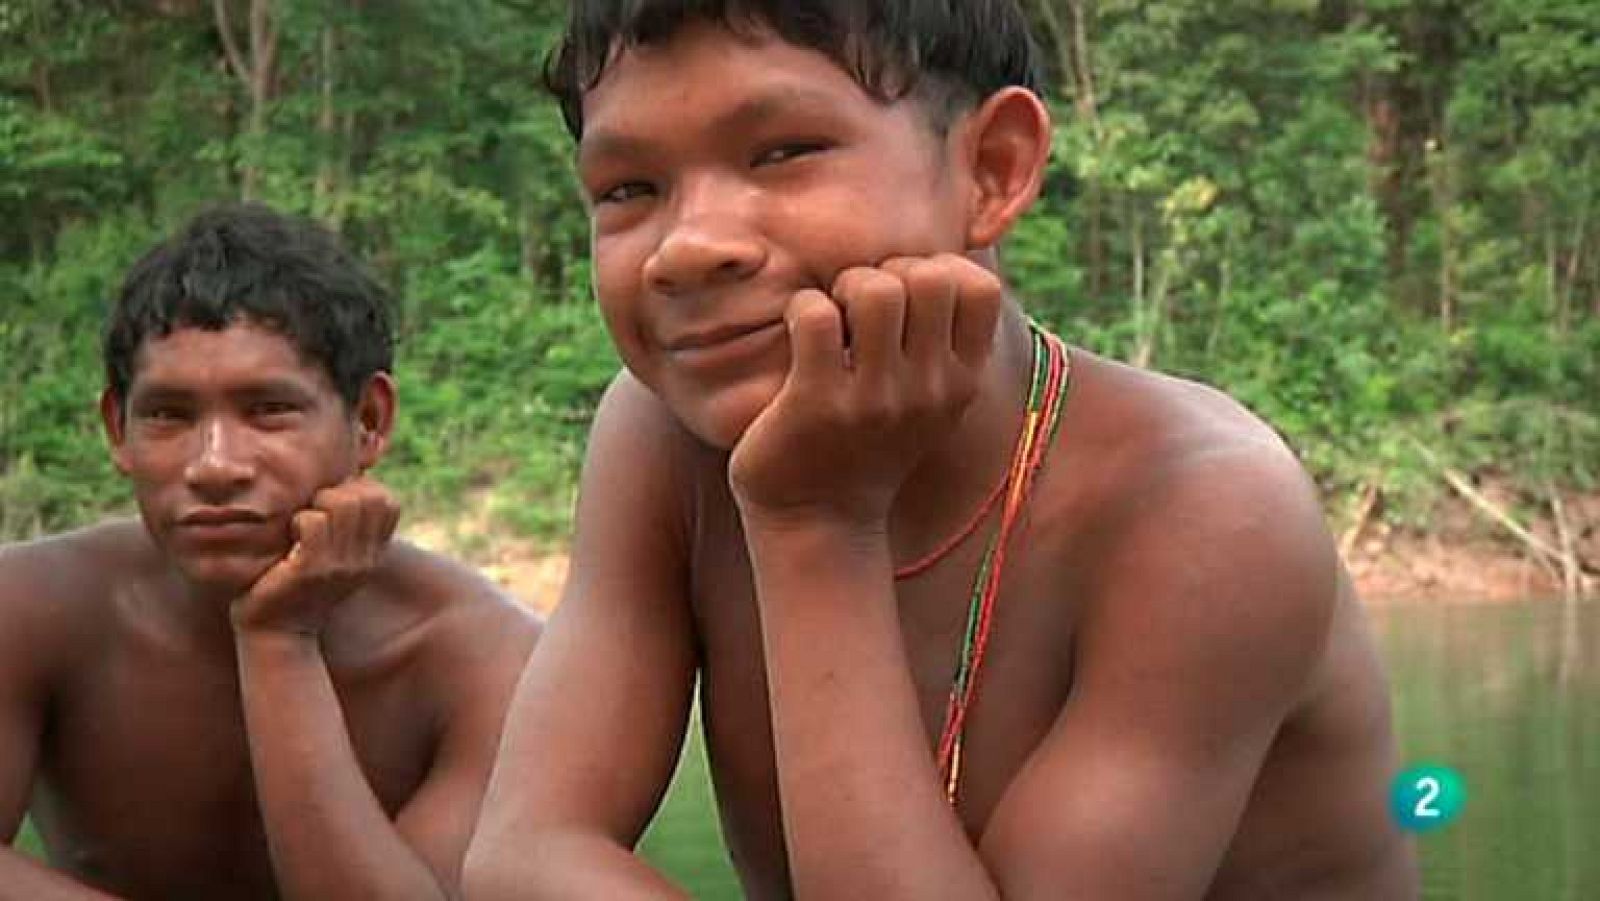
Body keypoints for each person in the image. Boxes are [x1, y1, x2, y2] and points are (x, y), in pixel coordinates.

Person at [465, 2, 1416, 899]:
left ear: (993, 171)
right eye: (630, 188)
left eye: (784, 151)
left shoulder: (1206, 512)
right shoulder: (664, 439)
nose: (689, 245)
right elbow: (525, 854)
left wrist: (816, 524)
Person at [0, 203, 541, 900]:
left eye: (268, 410)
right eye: (168, 414)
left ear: (370, 421)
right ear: (117, 428)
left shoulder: (488, 656)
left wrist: (280, 638)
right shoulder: (32, 608)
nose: (216, 464)